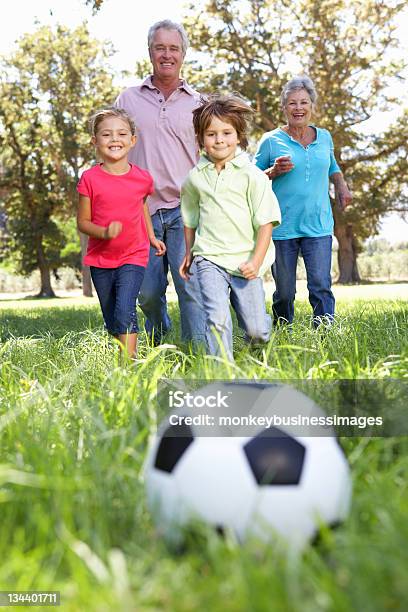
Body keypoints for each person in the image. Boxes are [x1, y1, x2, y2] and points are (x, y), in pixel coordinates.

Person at [115, 19, 206, 346]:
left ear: (183, 54)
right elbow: (114, 151)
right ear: (150, 52)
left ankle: (199, 357)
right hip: (142, 213)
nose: (167, 54)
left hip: (187, 211)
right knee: (149, 293)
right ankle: (160, 330)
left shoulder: (199, 103)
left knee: (190, 288)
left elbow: (211, 157)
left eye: (173, 48)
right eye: (160, 48)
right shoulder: (127, 100)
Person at [179, 95, 281, 361]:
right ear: (201, 138)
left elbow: (266, 222)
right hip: (209, 258)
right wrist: (189, 253)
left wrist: (256, 261)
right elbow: (189, 218)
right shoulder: (194, 178)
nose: (219, 140)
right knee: (217, 318)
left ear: (239, 137)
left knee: (257, 329)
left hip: (245, 261)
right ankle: (222, 372)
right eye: (211, 134)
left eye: (226, 133)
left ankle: (257, 352)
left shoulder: (253, 176)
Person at [254, 75, 352, 327]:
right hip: (281, 226)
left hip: (318, 224)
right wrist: (272, 172)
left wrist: (341, 185)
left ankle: (325, 332)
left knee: (320, 285)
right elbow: (251, 180)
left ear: (312, 106)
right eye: (292, 103)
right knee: (285, 292)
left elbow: (332, 165)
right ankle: (283, 330)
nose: (298, 108)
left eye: (304, 102)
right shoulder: (270, 140)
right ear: (284, 108)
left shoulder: (325, 137)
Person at [77, 107, 166, 359]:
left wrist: (150, 237)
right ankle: (123, 354)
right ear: (95, 141)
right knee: (112, 317)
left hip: (134, 254)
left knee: (126, 308)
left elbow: (142, 207)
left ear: (132, 140)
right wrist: (103, 232)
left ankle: (130, 364)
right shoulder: (89, 179)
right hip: (100, 259)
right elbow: (83, 222)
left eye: (122, 133)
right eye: (106, 134)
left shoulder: (143, 179)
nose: (115, 139)